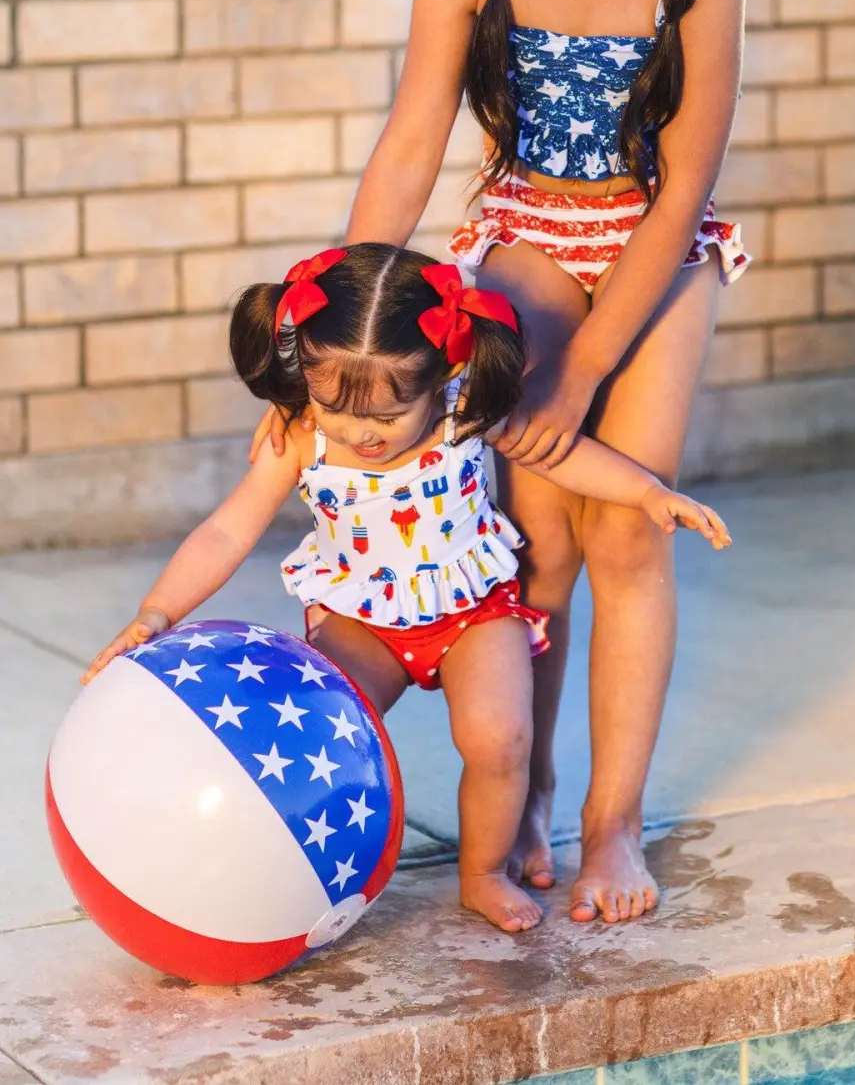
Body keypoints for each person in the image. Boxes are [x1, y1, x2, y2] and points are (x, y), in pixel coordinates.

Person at [254, 0, 760, 925]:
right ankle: (525, 797)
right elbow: (413, 139)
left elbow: (684, 183)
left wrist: (586, 372)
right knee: (533, 553)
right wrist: (334, 325)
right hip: (531, 230)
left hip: (658, 247)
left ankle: (611, 826)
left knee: (625, 529)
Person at [85, 245, 731, 934]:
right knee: (319, 738)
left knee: (501, 739)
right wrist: (157, 611)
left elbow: (562, 453)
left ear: (441, 377)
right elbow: (226, 531)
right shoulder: (303, 435)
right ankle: (299, 866)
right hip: (361, 617)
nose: (362, 432)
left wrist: (647, 491)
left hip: (473, 611)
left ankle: (481, 872)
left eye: (388, 417)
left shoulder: (467, 413)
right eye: (338, 407)